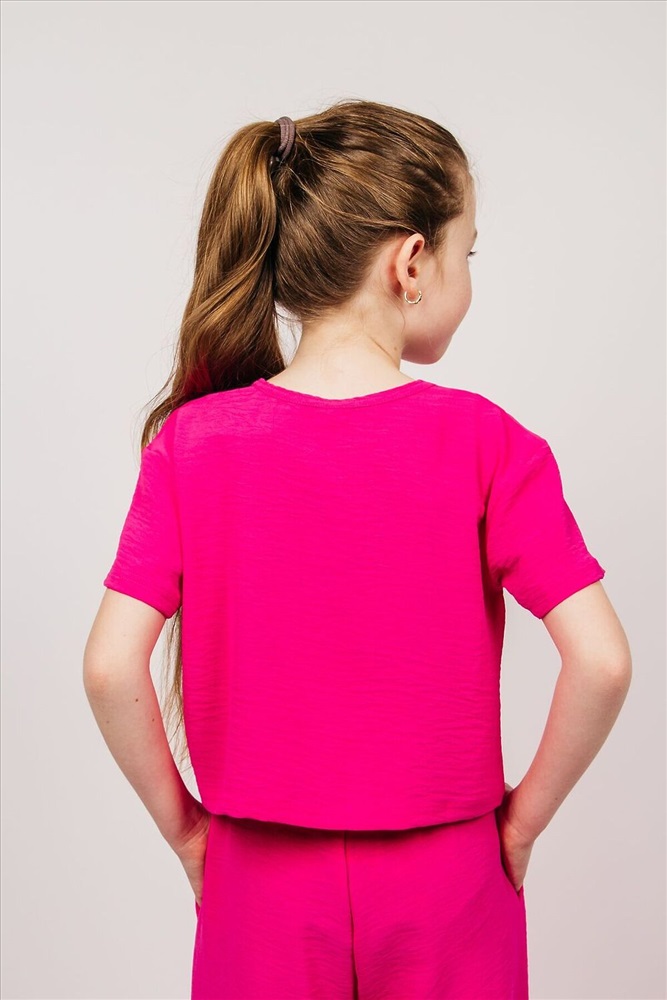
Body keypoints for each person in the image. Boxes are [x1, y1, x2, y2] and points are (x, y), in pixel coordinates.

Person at [82, 99, 633, 1000]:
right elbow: (601, 663)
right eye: (467, 253)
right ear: (411, 263)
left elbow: (110, 669)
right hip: (449, 882)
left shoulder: (194, 444)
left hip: (258, 883)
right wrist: (520, 828)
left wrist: (188, 836)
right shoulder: (487, 444)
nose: (467, 274)